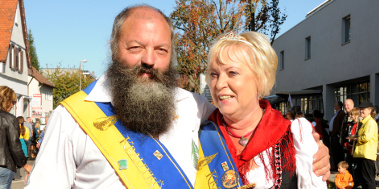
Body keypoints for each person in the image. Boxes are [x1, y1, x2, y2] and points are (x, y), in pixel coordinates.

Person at [25, 5, 330, 188]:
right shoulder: (72, 118)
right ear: (113, 47)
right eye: (135, 48)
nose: (149, 59)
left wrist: (315, 150)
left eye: (161, 50)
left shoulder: (191, 108)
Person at [202, 31, 327, 188]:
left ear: (260, 78)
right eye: (214, 75)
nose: (219, 84)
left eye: (232, 73)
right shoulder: (196, 135)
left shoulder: (292, 137)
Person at [0, 86, 32, 188]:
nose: (13, 106)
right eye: (13, 102)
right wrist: (25, 165)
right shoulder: (10, 119)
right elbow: (15, 146)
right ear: (7, 101)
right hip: (4, 165)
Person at [352, 101, 378, 189]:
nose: (361, 111)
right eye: (360, 109)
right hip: (361, 154)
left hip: (367, 155)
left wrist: (357, 139)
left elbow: (366, 137)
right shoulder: (363, 122)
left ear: (369, 110)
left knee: (368, 181)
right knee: (363, 180)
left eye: (363, 109)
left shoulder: (370, 122)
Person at [330, 101, 346, 170]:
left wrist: (338, 133)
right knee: (334, 151)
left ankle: (339, 166)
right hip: (333, 134)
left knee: (338, 151)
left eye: (335, 104)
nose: (334, 105)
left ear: (338, 106)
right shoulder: (336, 113)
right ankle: (336, 165)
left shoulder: (341, 113)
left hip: (337, 135)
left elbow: (341, 124)